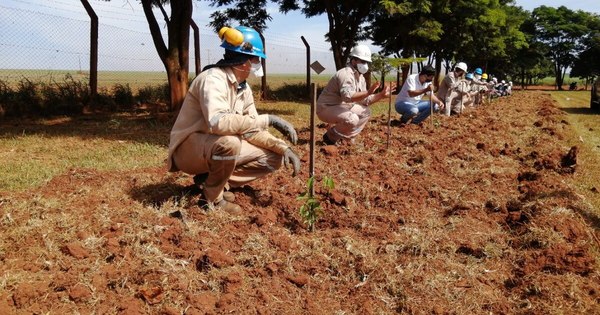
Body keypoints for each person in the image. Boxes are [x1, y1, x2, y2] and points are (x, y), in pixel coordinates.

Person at [166, 26, 300, 214]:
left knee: (273, 158)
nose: (257, 64)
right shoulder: (212, 80)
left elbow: (252, 129)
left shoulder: (243, 89)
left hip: (214, 148)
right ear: (243, 60)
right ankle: (211, 200)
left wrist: (283, 147)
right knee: (230, 142)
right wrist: (268, 119)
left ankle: (212, 183)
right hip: (189, 151)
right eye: (256, 59)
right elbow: (218, 122)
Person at [317, 44, 394, 145]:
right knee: (352, 119)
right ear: (354, 60)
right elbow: (347, 96)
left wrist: (381, 95)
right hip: (326, 108)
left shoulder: (360, 78)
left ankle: (347, 138)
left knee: (365, 112)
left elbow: (365, 100)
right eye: (363, 61)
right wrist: (368, 92)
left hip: (341, 106)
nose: (365, 64)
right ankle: (330, 137)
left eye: (366, 62)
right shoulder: (345, 74)